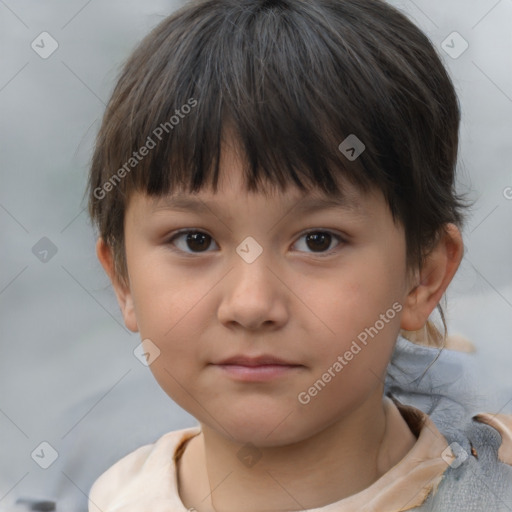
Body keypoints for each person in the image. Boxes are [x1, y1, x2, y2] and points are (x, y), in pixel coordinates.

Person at [85, 0, 512, 510]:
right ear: (124, 281)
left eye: (318, 240)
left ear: (424, 275)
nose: (250, 305)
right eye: (195, 240)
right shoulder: (113, 496)